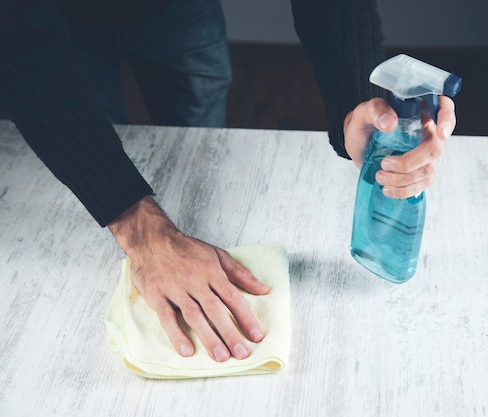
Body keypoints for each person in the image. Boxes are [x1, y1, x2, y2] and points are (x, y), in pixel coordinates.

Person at [0, 0, 456, 362]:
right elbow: (18, 36)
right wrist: (137, 224)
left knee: (200, 155)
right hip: (53, 18)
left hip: (179, 11)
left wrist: (358, 102)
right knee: (103, 148)